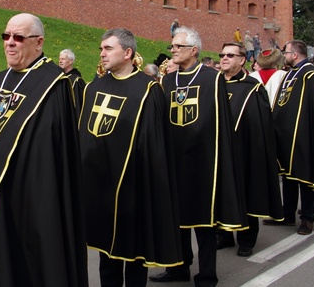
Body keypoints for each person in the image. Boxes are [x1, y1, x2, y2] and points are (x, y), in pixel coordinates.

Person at [0, 13, 88, 287]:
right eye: (6, 36)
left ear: (38, 43)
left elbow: (50, 152)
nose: (10, 43)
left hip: (29, 196)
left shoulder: (54, 84)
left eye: (18, 37)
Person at [80, 29, 182, 287]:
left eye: (108, 48)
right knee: (106, 252)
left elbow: (155, 147)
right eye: (101, 48)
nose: (102, 53)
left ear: (127, 53)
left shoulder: (148, 90)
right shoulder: (94, 87)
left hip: (133, 186)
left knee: (134, 252)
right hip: (100, 184)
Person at [150, 27, 246, 287]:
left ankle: (207, 275)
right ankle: (179, 267)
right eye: (172, 47)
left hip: (203, 161)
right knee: (177, 218)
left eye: (177, 47)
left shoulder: (213, 79)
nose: (173, 51)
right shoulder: (167, 81)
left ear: (193, 50)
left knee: (204, 223)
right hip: (174, 159)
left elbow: (219, 123)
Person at [263, 40, 314, 235]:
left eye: (285, 52)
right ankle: (287, 214)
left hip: (303, 135)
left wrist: (305, 134)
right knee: (288, 176)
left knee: (304, 176)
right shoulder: (291, 74)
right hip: (286, 135)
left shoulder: (309, 75)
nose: (283, 55)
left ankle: (307, 218)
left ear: (294, 54)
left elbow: (311, 109)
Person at [216, 42, 283, 257]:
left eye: (230, 55)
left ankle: (246, 239)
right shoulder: (214, 84)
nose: (224, 58)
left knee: (246, 193)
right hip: (218, 150)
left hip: (243, 150)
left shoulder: (252, 88)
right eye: (222, 54)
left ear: (242, 60)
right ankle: (224, 235)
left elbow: (260, 125)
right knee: (220, 194)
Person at [59, 48, 87, 118]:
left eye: (63, 59)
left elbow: (78, 105)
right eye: (60, 59)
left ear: (70, 61)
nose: (60, 61)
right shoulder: (59, 77)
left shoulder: (76, 81)